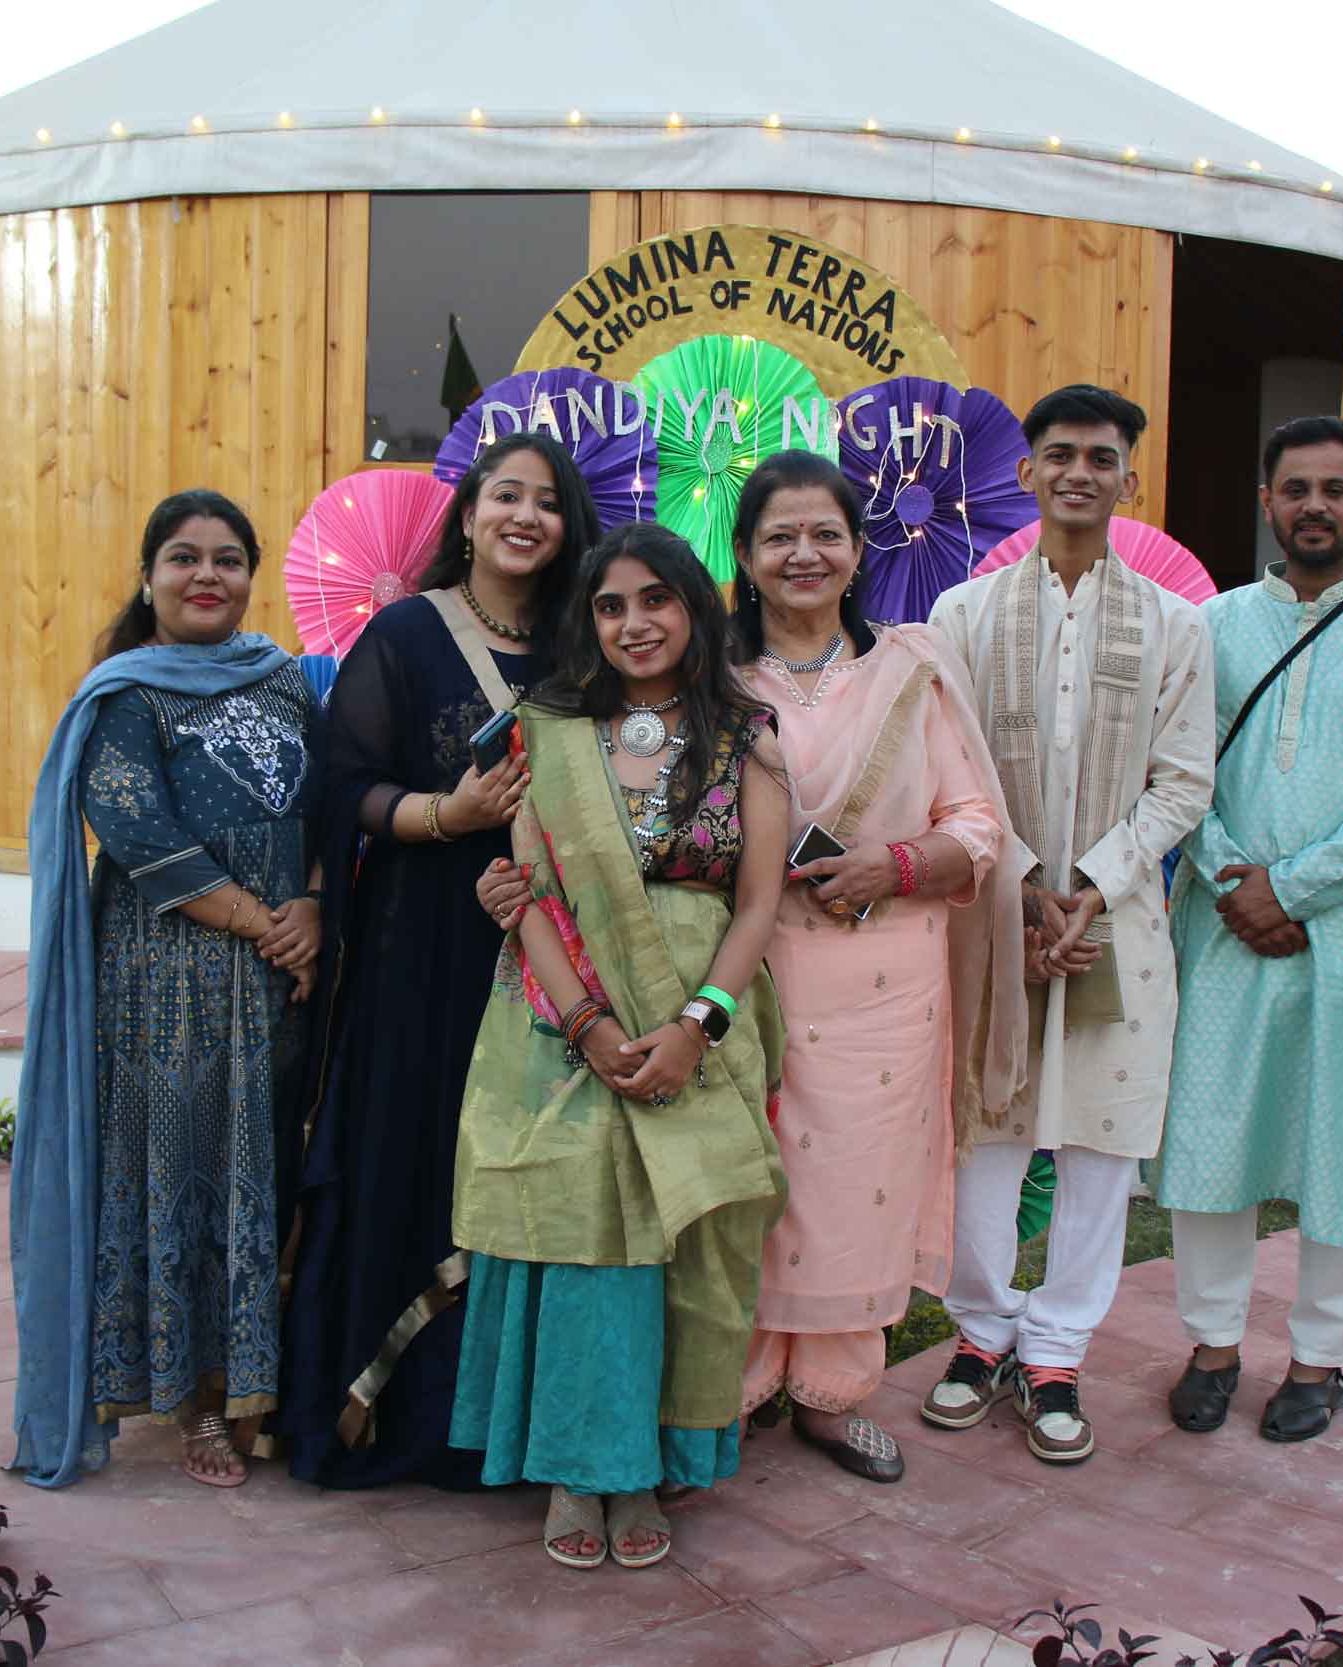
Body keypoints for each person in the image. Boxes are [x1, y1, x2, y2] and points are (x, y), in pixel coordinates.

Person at [451, 522, 791, 1570]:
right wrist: (589, 1023)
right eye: (610, 606)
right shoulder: (544, 732)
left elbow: (758, 904)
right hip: (561, 1015)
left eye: (656, 599)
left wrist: (696, 1026)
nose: (634, 623)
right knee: (578, 1231)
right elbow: (529, 892)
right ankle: (575, 1464)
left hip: (702, 1017)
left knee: (682, 1239)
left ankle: (644, 1463)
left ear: (695, 607)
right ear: (586, 623)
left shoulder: (747, 735)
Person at [280, 432, 602, 1489]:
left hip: (554, 941)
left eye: (546, 501)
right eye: (505, 495)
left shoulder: (588, 640)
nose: (524, 516)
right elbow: (344, 785)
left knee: (537, 1160)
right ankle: (401, 1413)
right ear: (467, 515)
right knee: (420, 1148)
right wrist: (443, 815)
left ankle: (513, 1421)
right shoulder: (408, 632)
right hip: (423, 942)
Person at [1151, 415, 1343, 1443]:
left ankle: (1321, 1360)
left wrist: (1289, 888)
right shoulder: (1211, 627)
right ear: (1268, 502)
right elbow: (1176, 769)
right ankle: (1211, 1345)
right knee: (1209, 1134)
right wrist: (1234, 879)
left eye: (1335, 487)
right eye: (1296, 488)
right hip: (1222, 925)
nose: (1315, 506)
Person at [922, 385, 1216, 1464]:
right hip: (995, 911)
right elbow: (946, 767)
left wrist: (1091, 881)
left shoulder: (1178, 625)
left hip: (1115, 919)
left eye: (1100, 457)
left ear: (1128, 477)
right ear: (1028, 473)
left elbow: (1184, 782)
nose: (1078, 472)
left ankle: (1055, 1350)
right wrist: (1022, 879)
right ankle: (980, 1331)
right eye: (1059, 454)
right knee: (986, 1128)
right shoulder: (962, 615)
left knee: (1100, 1141)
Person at [9, 489, 324, 1490]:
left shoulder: (288, 680)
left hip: (281, 980)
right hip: (168, 980)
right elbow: (138, 832)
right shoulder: (125, 695)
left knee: (270, 1166)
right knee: (182, 1167)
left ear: (251, 575)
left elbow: (329, 803)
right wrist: (265, 923)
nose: (206, 576)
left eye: (228, 558)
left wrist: (315, 904)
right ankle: (193, 1399)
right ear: (148, 578)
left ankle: (259, 1381)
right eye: (184, 557)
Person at [728, 450, 1024, 1482]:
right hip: (750, 973)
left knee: (860, 1181)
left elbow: (977, 823)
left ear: (858, 551)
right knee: (748, 1176)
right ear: (745, 556)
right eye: (780, 536)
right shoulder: (712, 680)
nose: (803, 553)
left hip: (887, 982)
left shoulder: (912, 669)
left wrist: (892, 865)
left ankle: (833, 1393)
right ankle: (731, 1389)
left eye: (825, 534)